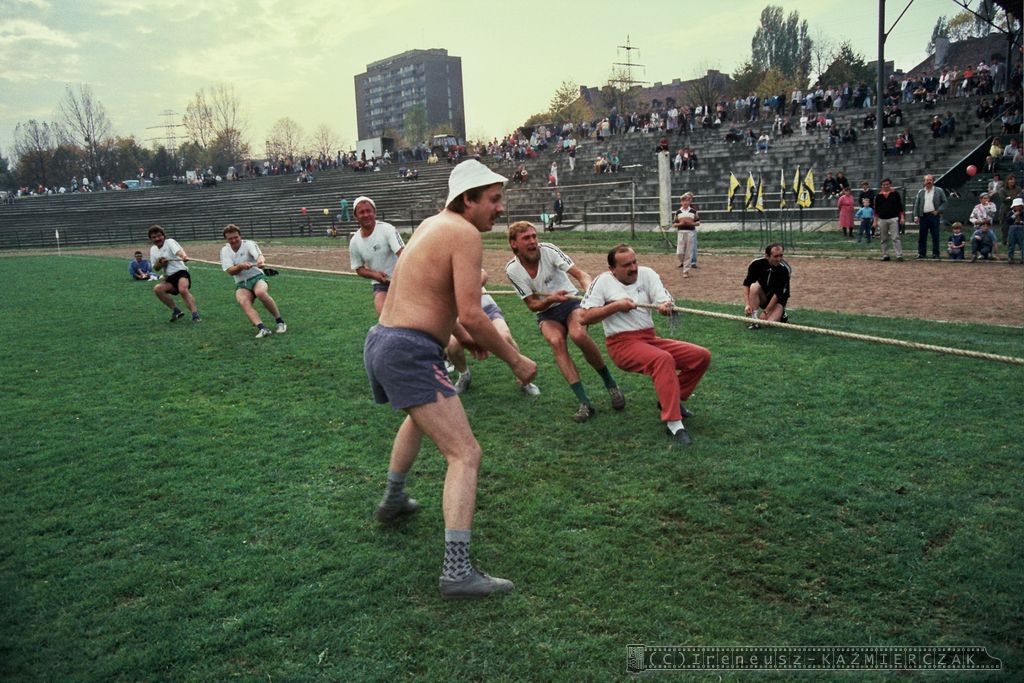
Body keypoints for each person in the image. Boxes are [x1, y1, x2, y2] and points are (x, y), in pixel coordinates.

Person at [364, 159, 537, 599]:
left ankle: (394, 498)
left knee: (419, 418)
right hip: (409, 351)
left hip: (384, 341)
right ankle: (456, 572)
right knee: (465, 453)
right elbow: (474, 313)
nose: (500, 208)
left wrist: (462, 335)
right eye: (494, 200)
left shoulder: (431, 224)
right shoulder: (463, 233)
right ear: (468, 200)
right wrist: (515, 361)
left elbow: (436, 299)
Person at [580, 245, 710, 446]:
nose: (633, 268)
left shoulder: (647, 274)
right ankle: (674, 424)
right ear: (612, 269)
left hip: (649, 338)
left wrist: (666, 307)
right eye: (626, 265)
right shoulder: (602, 281)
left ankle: (670, 400)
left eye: (634, 262)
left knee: (700, 356)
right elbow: (584, 317)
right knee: (663, 359)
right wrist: (616, 306)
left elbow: (664, 300)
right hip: (621, 344)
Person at [505, 221, 625, 422]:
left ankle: (611, 384)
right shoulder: (512, 269)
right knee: (556, 342)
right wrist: (550, 300)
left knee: (578, 334)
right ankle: (584, 403)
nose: (533, 241)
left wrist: (591, 292)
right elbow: (532, 304)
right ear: (514, 243)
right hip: (546, 312)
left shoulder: (548, 250)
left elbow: (581, 275)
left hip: (571, 303)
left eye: (534, 236)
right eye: (526, 238)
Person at [446, 269, 541, 396]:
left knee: (505, 336)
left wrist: (467, 290)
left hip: (487, 309)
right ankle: (464, 375)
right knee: (452, 345)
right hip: (459, 315)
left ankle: (523, 378)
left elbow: (483, 274)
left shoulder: (457, 262)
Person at [220, 224, 287, 338]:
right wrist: (240, 266)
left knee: (260, 292)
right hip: (242, 283)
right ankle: (262, 328)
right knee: (243, 301)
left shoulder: (249, 244)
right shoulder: (225, 251)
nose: (234, 240)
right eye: (230, 238)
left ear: (240, 236)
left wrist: (260, 261)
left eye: (236, 237)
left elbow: (259, 256)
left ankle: (280, 322)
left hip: (257, 277)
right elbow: (230, 271)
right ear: (226, 239)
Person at [349, 196, 405, 316]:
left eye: (369, 211)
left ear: (375, 213)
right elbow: (359, 268)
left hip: (403, 280)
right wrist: (375, 275)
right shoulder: (354, 242)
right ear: (355, 216)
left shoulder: (387, 229)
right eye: (361, 212)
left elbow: (403, 254)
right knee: (385, 316)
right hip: (381, 285)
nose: (366, 215)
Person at [148, 225, 200, 322]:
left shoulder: (169, 242)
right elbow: (156, 268)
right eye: (154, 237)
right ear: (151, 239)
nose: (157, 239)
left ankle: (195, 315)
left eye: (159, 236)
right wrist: (160, 263)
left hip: (180, 272)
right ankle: (176, 311)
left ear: (163, 236)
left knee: (183, 289)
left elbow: (178, 251)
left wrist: (183, 256)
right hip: (169, 278)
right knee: (158, 289)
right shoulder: (153, 250)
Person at [743, 243, 791, 329]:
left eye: (781, 255)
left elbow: (778, 294)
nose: (779, 259)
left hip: (778, 300)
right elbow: (747, 284)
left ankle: (782, 314)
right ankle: (754, 322)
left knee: (769, 323)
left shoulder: (784, 269)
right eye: (775, 256)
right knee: (754, 286)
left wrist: (765, 312)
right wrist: (747, 304)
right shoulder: (756, 263)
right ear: (767, 256)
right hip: (764, 296)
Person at [912, 174, 948, 259]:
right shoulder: (921, 192)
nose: (928, 181)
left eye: (930, 180)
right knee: (922, 236)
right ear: (924, 182)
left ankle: (936, 253)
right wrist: (916, 216)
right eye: (927, 180)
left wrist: (938, 211)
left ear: (933, 181)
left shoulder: (939, 191)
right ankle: (921, 253)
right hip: (923, 216)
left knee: (935, 235)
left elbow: (945, 202)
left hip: (933, 215)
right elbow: (917, 204)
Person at [873, 178, 905, 261]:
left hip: (893, 218)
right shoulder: (878, 196)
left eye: (887, 184)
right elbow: (876, 210)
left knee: (895, 237)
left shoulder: (895, 194)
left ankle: (899, 255)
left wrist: (902, 217)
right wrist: (875, 221)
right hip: (882, 219)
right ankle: (885, 255)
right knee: (883, 238)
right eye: (884, 185)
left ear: (890, 185)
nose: (885, 186)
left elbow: (900, 207)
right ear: (881, 186)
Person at [673, 192, 699, 277]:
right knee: (679, 252)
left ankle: (686, 271)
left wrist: (691, 223)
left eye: (687, 201)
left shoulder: (693, 211)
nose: (685, 203)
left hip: (690, 232)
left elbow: (698, 222)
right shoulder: (678, 212)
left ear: (689, 202)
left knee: (688, 252)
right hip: (681, 232)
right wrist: (680, 224)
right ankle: (683, 262)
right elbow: (674, 224)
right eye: (683, 201)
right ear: (681, 202)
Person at [1005, 197, 1024, 264]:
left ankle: (1023, 258)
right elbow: (1008, 221)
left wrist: (1020, 222)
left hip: (1021, 229)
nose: (1018, 207)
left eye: (1019, 206)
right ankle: (1010, 257)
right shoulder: (1010, 213)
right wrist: (1014, 215)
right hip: (1012, 229)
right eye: (1016, 206)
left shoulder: (1023, 213)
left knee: (1022, 244)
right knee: (1011, 244)